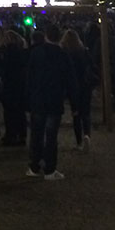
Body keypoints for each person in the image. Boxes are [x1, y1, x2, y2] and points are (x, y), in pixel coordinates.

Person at [26, 25, 76, 181]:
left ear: (46, 36)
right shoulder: (63, 55)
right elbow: (71, 82)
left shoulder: (36, 53)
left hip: (38, 99)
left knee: (36, 135)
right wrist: (75, 104)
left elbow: (29, 78)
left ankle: (34, 166)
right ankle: (50, 169)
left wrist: (28, 100)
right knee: (51, 136)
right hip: (54, 100)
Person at [59, 28, 93, 152]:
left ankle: (79, 142)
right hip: (85, 85)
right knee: (86, 113)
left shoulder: (66, 54)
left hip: (73, 87)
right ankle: (87, 135)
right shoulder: (84, 52)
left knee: (76, 114)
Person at [0, 30, 28, 146]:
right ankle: (22, 135)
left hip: (9, 86)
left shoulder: (7, 53)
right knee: (20, 112)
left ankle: (11, 135)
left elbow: (4, 70)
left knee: (9, 112)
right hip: (20, 85)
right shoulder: (23, 52)